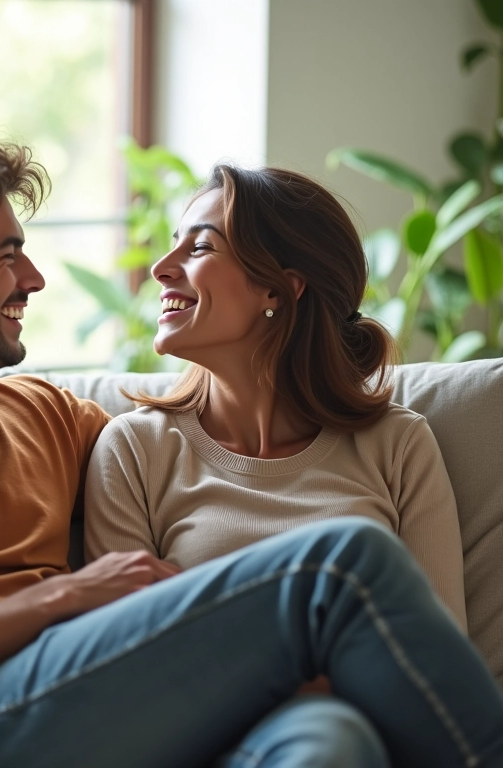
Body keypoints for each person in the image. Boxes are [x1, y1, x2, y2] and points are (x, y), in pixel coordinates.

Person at [0, 124, 501, 768]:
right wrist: (62, 596)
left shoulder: (43, 417)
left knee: (325, 738)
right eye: (7, 255)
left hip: (84, 711)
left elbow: (190, 456)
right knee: (339, 563)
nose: (34, 278)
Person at [84, 163, 466, 628]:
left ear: (278, 289)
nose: (161, 270)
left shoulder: (397, 445)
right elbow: (123, 662)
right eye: (172, 246)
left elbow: (440, 659)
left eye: (200, 246)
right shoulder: (134, 450)